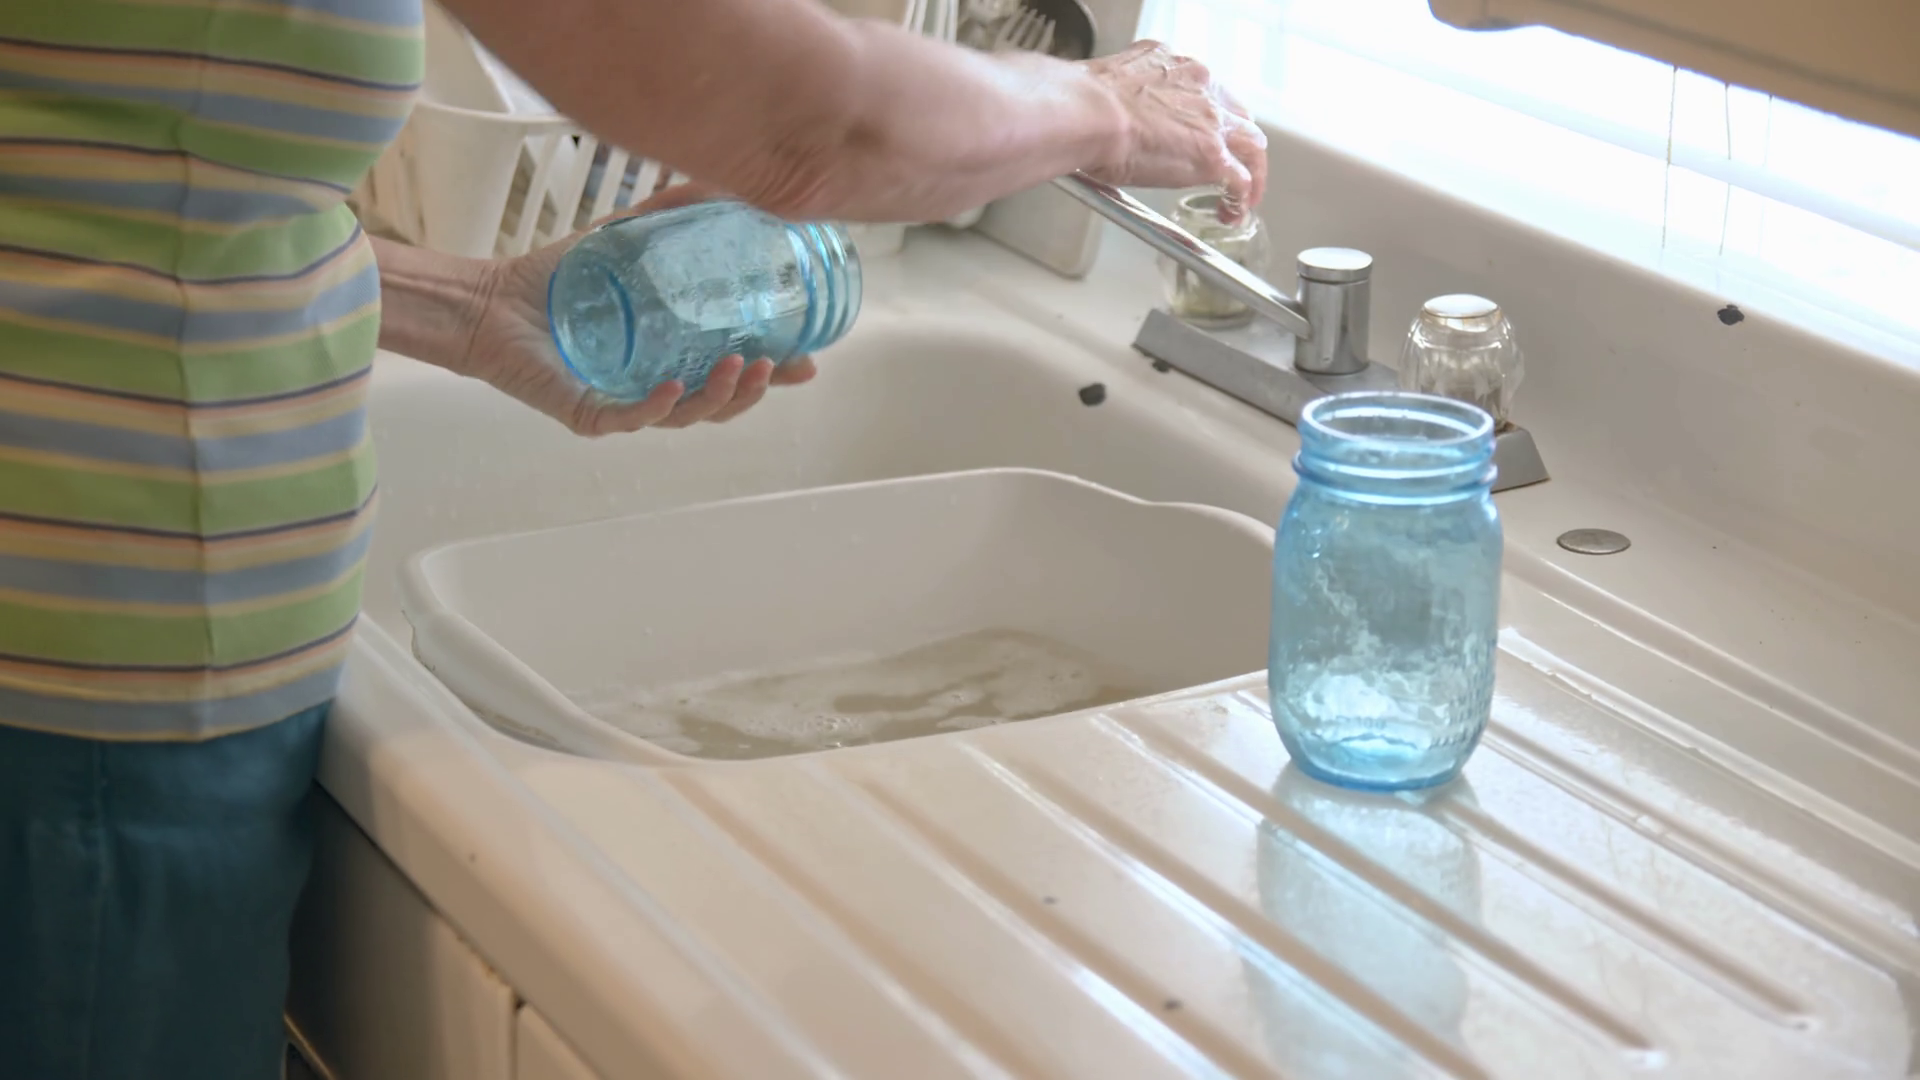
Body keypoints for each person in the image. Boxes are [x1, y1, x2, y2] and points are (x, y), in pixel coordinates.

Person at [0, 0, 1267, 1076]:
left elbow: (85, 173)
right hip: (85, 666)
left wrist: (474, 304)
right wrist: (1104, 111)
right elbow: (815, 123)